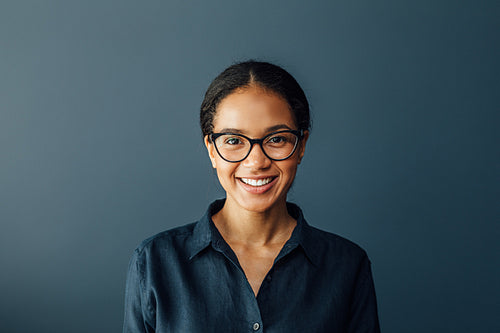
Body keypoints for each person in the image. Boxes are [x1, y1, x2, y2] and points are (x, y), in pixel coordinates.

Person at [123, 61, 380, 332]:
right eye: (234, 141)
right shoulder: (153, 262)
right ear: (211, 148)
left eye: (277, 139)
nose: (256, 162)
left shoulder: (347, 266)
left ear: (301, 144)